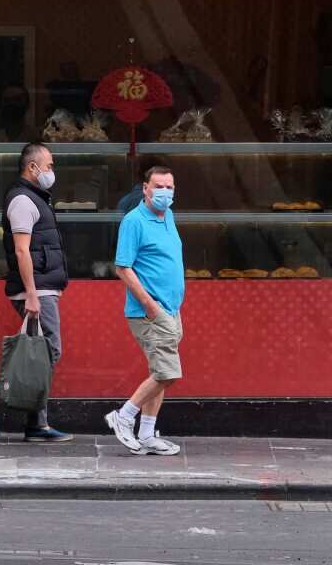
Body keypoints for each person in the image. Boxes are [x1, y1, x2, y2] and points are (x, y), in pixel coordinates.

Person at [0, 142, 73, 442]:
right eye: (49, 165)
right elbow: (21, 250)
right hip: (35, 290)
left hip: (42, 287)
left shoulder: (36, 198)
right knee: (50, 350)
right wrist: (32, 293)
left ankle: (37, 424)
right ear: (32, 167)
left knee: (40, 352)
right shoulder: (22, 200)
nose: (52, 171)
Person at [104, 165, 184, 455]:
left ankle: (147, 434)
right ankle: (124, 416)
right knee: (167, 373)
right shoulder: (134, 221)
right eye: (158, 186)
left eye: (169, 187)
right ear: (145, 189)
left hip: (170, 309)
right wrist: (150, 305)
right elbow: (123, 268)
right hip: (150, 312)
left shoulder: (168, 216)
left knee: (158, 373)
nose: (164, 192)